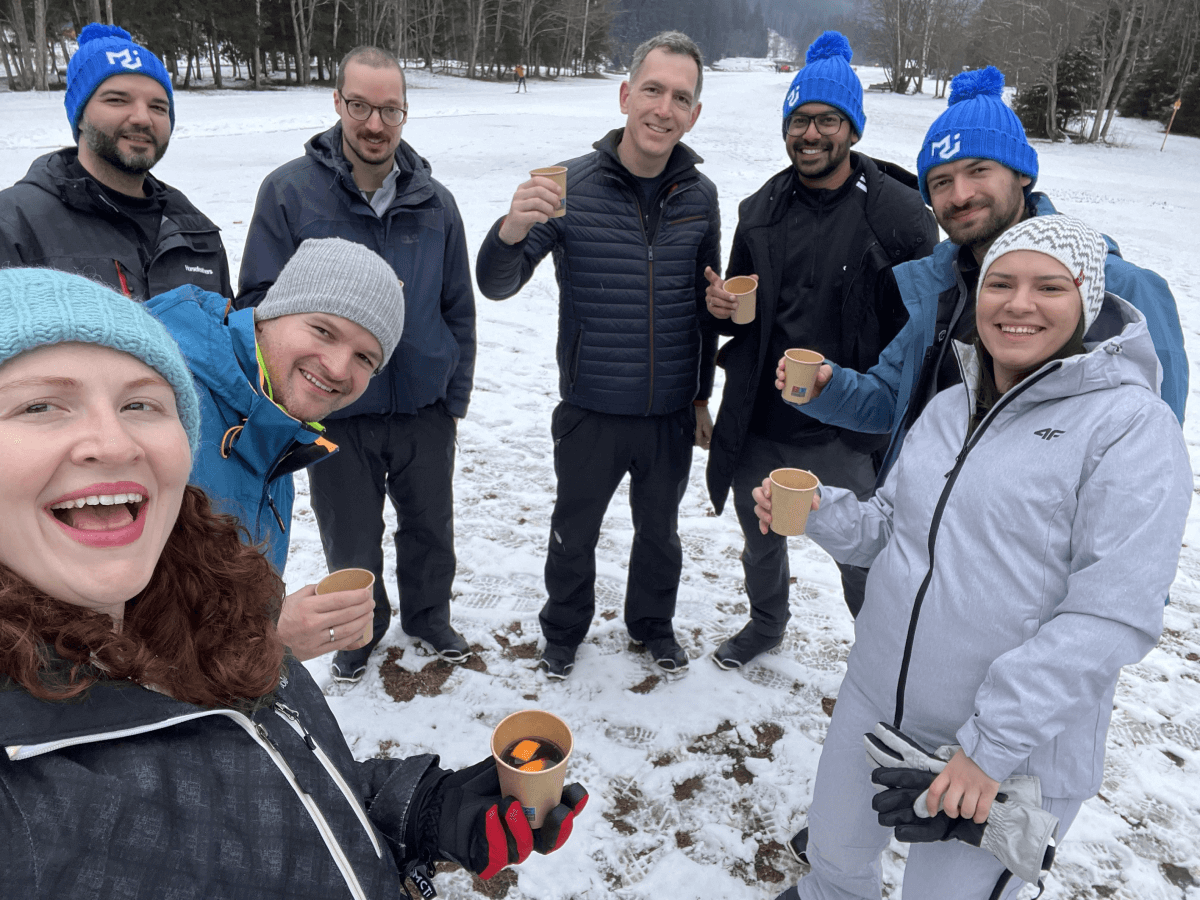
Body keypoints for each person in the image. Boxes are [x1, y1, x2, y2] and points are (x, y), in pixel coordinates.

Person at [0, 267, 586, 899]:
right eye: (40, 406)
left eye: (140, 403)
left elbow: (261, 788)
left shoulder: (206, 600)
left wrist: (417, 812)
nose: (112, 443)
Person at [753, 216, 1191, 900]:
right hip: (876, 699)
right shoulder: (950, 404)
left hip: (1007, 751)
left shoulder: (1131, 429)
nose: (1019, 303)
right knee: (834, 860)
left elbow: (1110, 617)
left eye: (1049, 286)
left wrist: (987, 750)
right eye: (1001, 283)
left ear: (1088, 301)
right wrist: (821, 515)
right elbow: (894, 529)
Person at [787, 66, 1187, 484]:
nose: (959, 195)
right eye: (940, 182)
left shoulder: (1116, 289)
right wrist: (826, 390)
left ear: (1022, 174)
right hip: (929, 526)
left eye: (978, 171)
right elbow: (893, 398)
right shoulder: (942, 286)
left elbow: (1153, 462)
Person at [475, 31, 720, 679]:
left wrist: (700, 397)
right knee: (574, 532)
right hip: (590, 407)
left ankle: (651, 626)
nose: (663, 108)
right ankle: (562, 632)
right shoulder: (565, 185)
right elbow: (497, 282)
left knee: (660, 535)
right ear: (624, 94)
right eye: (652, 90)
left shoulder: (701, 196)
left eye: (680, 97)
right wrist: (511, 230)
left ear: (693, 114)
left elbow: (707, 306)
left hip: (668, 411)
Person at [239, 45, 477, 683]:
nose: (375, 124)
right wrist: (290, 406)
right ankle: (357, 633)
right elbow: (260, 304)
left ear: (405, 112)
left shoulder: (436, 203)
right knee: (352, 539)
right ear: (338, 103)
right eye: (361, 106)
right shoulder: (289, 193)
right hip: (334, 412)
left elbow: (459, 307)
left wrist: (453, 399)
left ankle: (429, 617)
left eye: (390, 109)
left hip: (424, 409)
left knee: (431, 529)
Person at [702, 31, 937, 670]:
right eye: (799, 120)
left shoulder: (901, 215)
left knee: (865, 554)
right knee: (761, 538)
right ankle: (766, 623)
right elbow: (740, 310)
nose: (811, 133)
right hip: (765, 424)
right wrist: (723, 310)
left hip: (851, 432)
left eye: (827, 120)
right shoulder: (760, 210)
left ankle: (883, 658)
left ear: (852, 129)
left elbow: (925, 329)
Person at [148, 236, 404, 663]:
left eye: (365, 358)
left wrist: (266, 624)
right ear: (272, 313)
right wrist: (267, 641)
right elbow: (95, 629)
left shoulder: (270, 416)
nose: (339, 368)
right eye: (323, 330)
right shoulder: (164, 406)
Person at [0, 23, 230, 300]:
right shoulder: (15, 224)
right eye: (117, 100)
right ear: (80, 116)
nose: (143, 119)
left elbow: (228, 338)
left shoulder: (196, 231)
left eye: (158, 107)